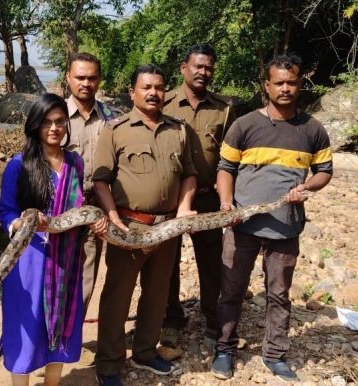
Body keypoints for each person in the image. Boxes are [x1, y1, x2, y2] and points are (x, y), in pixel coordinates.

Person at [210, 54, 333, 381]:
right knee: (232, 290)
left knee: (278, 293)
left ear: (300, 84)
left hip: (286, 227)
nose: (285, 88)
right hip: (242, 224)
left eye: (291, 82)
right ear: (266, 86)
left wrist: (306, 187)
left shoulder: (312, 129)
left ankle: (275, 354)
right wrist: (226, 203)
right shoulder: (245, 125)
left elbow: (324, 172)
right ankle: (225, 349)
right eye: (278, 82)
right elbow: (225, 169)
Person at [91, 64, 198, 386]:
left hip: (168, 228)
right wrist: (110, 216)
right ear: (132, 92)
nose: (154, 93)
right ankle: (108, 365)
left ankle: (145, 352)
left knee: (157, 293)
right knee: (117, 296)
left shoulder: (178, 130)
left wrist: (183, 209)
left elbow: (189, 174)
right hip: (128, 227)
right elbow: (100, 180)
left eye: (159, 87)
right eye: (147, 87)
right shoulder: (116, 129)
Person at [0, 93, 108, 386]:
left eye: (60, 121)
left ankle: (52, 383)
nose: (54, 128)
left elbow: (77, 207)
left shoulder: (75, 162)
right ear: (35, 126)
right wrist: (21, 222)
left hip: (66, 259)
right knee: (27, 325)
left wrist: (92, 219)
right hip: (29, 261)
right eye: (46, 122)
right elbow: (6, 211)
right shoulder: (18, 165)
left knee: (61, 322)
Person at [160, 43, 237, 347]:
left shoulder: (224, 108)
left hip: (207, 199)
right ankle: (170, 318)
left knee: (212, 260)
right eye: (198, 66)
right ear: (184, 68)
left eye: (208, 68)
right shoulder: (163, 104)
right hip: (167, 199)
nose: (204, 72)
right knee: (167, 261)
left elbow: (230, 157)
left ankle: (213, 317)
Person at [65, 52, 118, 316]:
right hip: (60, 209)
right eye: (80, 77)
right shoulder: (54, 115)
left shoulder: (112, 118)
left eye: (92, 78)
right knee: (52, 275)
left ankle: (71, 339)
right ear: (68, 78)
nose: (86, 83)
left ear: (99, 80)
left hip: (96, 207)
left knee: (86, 276)